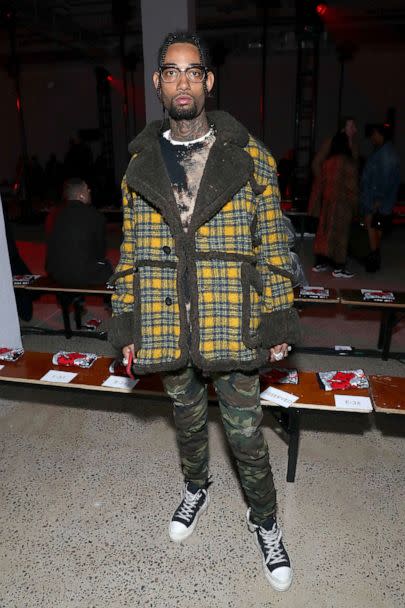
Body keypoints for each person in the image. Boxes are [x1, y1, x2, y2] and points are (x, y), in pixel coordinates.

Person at [109, 32, 300, 592]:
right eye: (172, 71)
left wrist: (276, 319)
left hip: (231, 320)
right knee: (189, 426)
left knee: (246, 435)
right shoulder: (138, 165)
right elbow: (132, 252)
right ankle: (197, 486)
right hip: (167, 324)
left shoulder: (249, 155)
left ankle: (263, 519)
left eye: (194, 71)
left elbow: (274, 241)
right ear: (159, 83)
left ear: (209, 81)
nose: (183, 81)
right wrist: (127, 321)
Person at [308, 132, 358, 278]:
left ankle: (320, 263)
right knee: (341, 236)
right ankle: (339, 267)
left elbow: (321, 183)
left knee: (324, 233)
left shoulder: (327, 162)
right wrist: (356, 207)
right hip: (343, 205)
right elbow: (352, 187)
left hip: (327, 203)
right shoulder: (349, 163)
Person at [46, 178, 112, 287]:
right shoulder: (95, 216)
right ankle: (108, 302)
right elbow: (100, 253)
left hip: (56, 273)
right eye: (87, 189)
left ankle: (70, 300)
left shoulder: (53, 215)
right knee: (107, 268)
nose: (90, 191)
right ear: (81, 195)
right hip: (83, 274)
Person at [361, 124, 400, 272]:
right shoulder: (386, 152)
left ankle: (374, 259)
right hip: (380, 201)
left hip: (378, 201)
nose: (372, 138)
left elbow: (384, 179)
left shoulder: (385, 154)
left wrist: (378, 199)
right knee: (376, 229)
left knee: (374, 228)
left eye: (373, 135)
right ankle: (374, 258)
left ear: (379, 134)